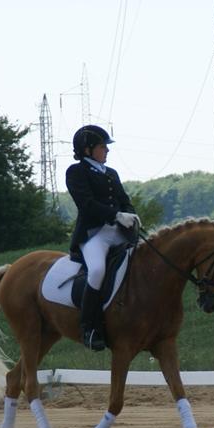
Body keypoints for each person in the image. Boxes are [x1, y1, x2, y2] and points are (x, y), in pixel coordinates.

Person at [65, 124, 140, 350]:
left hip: (119, 233)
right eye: (102, 146)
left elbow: (124, 200)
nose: (106, 150)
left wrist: (131, 215)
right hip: (94, 235)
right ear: (87, 149)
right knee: (97, 270)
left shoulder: (111, 173)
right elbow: (87, 204)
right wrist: (116, 215)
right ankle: (90, 328)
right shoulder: (76, 172)